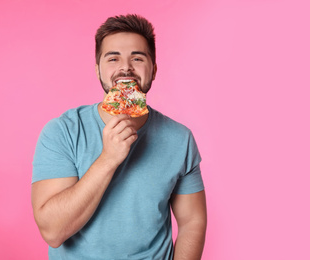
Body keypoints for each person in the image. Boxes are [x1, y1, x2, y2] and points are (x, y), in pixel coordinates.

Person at [32, 14, 207, 260]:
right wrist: (108, 159)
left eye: (137, 58)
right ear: (98, 70)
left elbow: (192, 220)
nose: (125, 68)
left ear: (154, 70)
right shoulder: (62, 131)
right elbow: (52, 231)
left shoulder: (180, 139)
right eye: (113, 58)